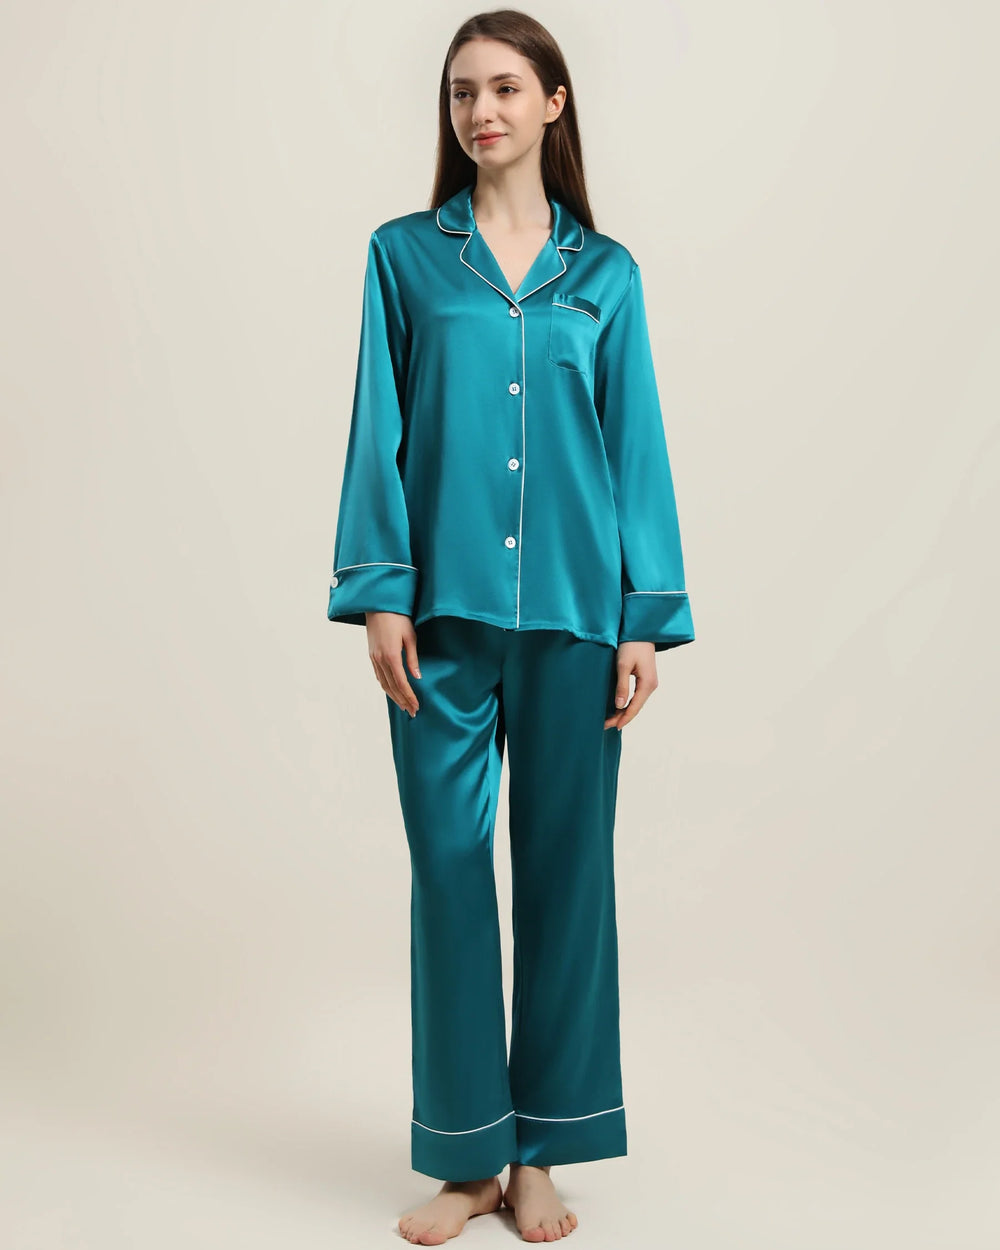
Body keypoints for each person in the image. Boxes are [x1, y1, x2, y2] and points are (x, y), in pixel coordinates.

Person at [326, 10, 695, 1244]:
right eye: (459, 93)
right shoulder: (404, 257)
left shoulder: (607, 275)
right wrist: (380, 587)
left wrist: (643, 616)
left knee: (565, 876)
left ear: (552, 102)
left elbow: (634, 447)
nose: (478, 111)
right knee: (447, 869)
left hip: (579, 615)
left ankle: (541, 1149)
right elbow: (377, 420)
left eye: (501, 88)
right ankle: (466, 1153)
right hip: (438, 613)